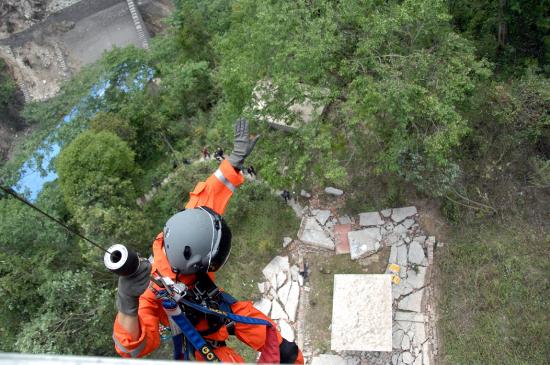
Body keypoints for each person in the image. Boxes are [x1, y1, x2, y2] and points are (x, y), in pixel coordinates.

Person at [113, 118, 303, 363]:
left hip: (220, 307)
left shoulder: (190, 226)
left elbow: (210, 192)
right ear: (196, 264)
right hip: (200, 340)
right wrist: (127, 302)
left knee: (284, 351)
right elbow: (131, 348)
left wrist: (234, 159)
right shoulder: (151, 293)